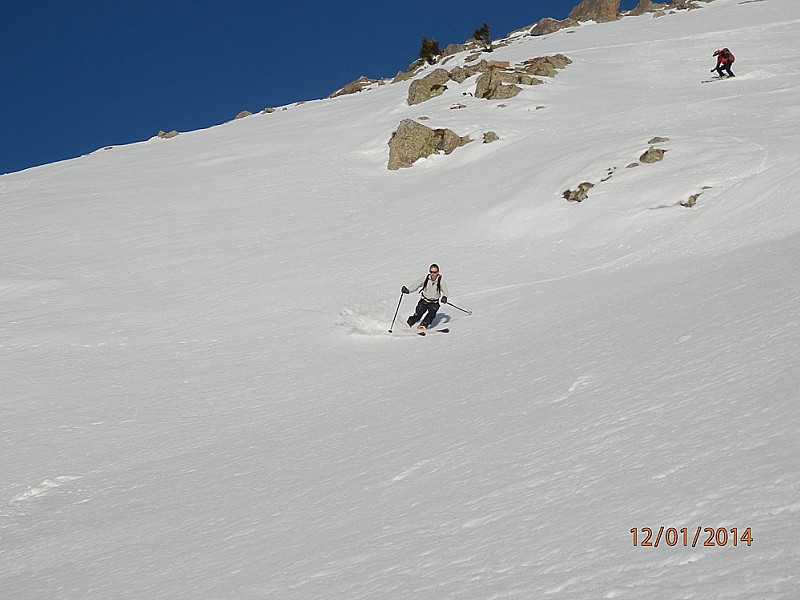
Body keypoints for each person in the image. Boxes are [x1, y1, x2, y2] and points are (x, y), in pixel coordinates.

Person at [402, 263, 449, 331]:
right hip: (424, 300)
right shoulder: (426, 278)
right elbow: (416, 285)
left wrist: (444, 297)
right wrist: (408, 290)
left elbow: (445, 291)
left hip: (434, 302)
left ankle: (423, 325)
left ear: (438, 272)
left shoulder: (440, 280)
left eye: (434, 272)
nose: (433, 274)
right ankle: (408, 323)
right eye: (431, 272)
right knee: (418, 314)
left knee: (431, 315)